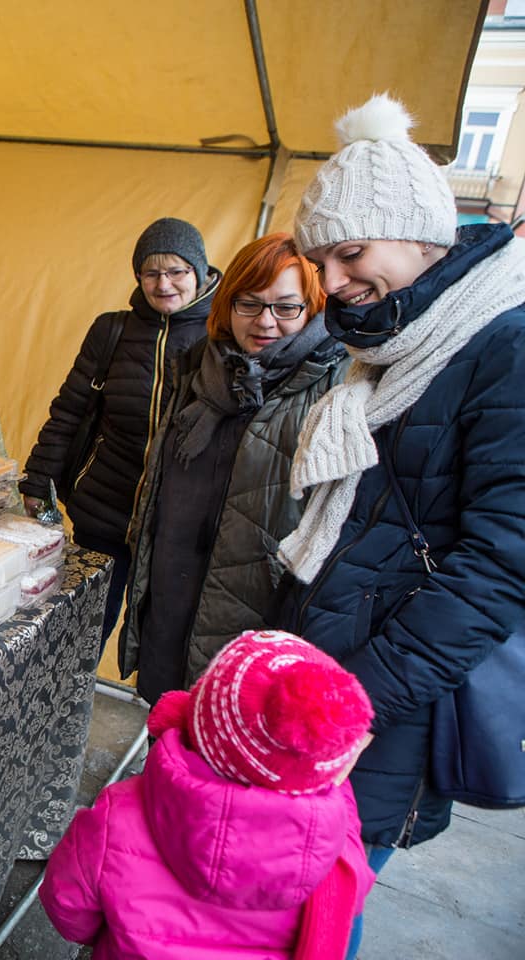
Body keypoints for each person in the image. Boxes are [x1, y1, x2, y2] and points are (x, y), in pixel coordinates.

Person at [278, 94, 525, 957]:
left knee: (324, 907)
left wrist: (356, 700)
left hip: (386, 704)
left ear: (421, 233)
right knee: (291, 898)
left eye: (350, 255)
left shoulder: (504, 342)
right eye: (323, 263)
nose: (335, 283)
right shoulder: (394, 343)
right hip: (332, 671)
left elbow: (500, 566)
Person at [41, 629, 376, 960]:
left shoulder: (118, 814)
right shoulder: (337, 847)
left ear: (199, 713)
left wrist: (110, 937)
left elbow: (67, 906)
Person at [120, 233, 345, 704]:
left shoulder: (332, 387)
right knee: (167, 727)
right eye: (249, 303)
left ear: (314, 306)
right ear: (228, 302)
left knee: (229, 741)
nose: (265, 321)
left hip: (254, 611)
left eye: (287, 307)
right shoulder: (201, 368)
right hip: (173, 591)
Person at [21, 217, 219, 655]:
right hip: (104, 513)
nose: (163, 284)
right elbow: (69, 410)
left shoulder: (225, 334)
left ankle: (163, 719)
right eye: (151, 273)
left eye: (177, 271)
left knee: (166, 644)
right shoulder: (112, 330)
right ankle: (61, 714)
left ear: (200, 272)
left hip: (179, 526)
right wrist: (38, 480)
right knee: (78, 634)